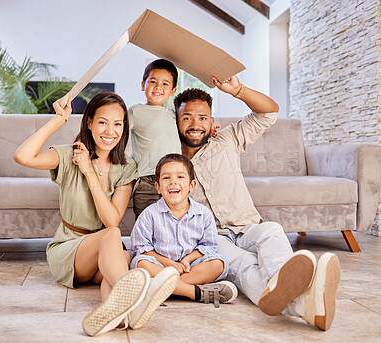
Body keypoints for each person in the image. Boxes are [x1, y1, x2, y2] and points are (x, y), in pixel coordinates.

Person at [173, 76, 341, 331]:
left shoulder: (226, 140)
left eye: (203, 118)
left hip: (247, 225)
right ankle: (303, 304)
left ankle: (284, 284)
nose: (195, 124)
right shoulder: (168, 161)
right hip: (210, 239)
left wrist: (238, 90)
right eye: (187, 118)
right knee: (242, 265)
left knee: (272, 230)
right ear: (175, 121)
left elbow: (268, 112)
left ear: (212, 122)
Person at [13, 92, 179, 336]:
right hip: (69, 249)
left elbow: (111, 219)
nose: (110, 131)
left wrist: (90, 174)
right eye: (103, 122)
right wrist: (58, 120)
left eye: (118, 124)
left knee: (120, 257)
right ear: (89, 122)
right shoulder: (70, 156)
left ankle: (116, 316)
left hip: (104, 250)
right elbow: (22, 156)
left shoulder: (126, 167)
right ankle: (140, 299)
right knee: (113, 236)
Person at [130, 153, 238, 307]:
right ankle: (191, 291)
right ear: (158, 187)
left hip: (190, 267)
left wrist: (187, 260)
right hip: (160, 266)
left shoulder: (203, 214)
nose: (173, 181)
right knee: (141, 264)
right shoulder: (149, 214)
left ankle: (160, 289)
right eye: (166, 178)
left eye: (180, 177)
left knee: (218, 263)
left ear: (191, 186)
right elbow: (141, 248)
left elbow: (208, 246)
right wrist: (169, 263)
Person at [128, 59, 181, 218]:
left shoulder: (175, 114)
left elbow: (190, 133)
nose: (158, 87)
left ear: (173, 90)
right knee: (147, 223)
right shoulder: (136, 111)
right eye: (153, 81)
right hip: (147, 180)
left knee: (173, 223)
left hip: (174, 179)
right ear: (143, 85)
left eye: (165, 84)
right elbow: (117, 133)